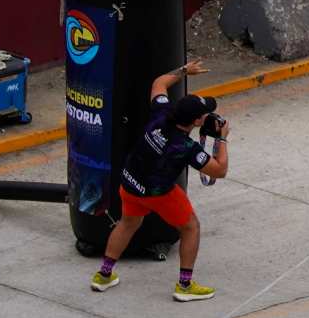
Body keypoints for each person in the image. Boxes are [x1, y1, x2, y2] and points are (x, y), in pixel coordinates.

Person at [90, 58, 226, 301]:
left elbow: (159, 83)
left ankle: (104, 275)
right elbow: (219, 171)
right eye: (204, 114)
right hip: (159, 193)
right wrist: (222, 140)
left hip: (130, 183)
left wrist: (184, 70)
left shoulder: (161, 114)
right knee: (191, 227)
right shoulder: (186, 146)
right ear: (196, 122)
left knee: (127, 223)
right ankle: (184, 286)